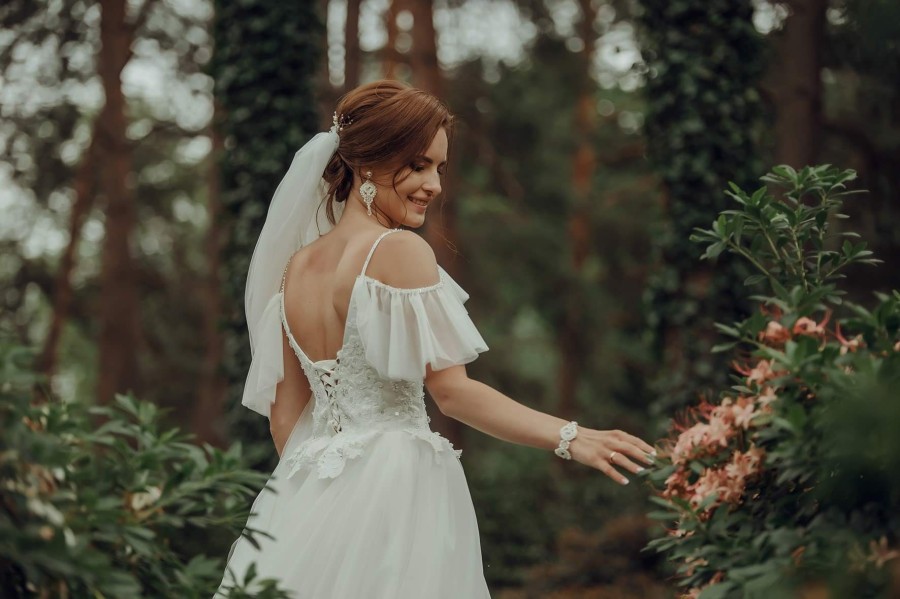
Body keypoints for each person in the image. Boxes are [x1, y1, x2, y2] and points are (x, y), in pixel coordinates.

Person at [215, 80, 656, 598]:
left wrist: (321, 499)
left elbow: (286, 417)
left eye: (440, 168)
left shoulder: (296, 269)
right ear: (369, 163)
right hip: (398, 485)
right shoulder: (397, 250)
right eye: (419, 165)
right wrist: (570, 436)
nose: (435, 185)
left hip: (307, 491)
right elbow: (452, 392)